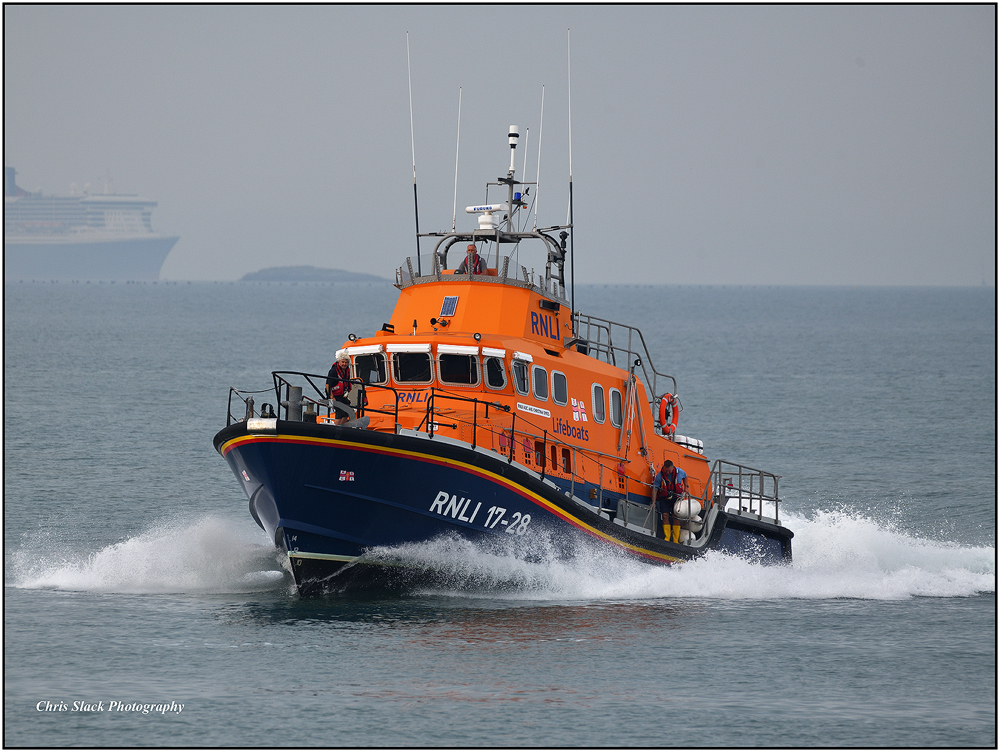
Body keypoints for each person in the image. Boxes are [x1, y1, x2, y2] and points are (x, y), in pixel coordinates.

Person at [652, 460, 688, 543]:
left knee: (676, 516)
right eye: (666, 470)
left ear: (672, 467)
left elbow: (685, 476)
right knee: (665, 516)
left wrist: (686, 487)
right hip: (665, 499)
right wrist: (653, 502)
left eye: (669, 470)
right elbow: (655, 489)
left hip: (677, 498)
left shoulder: (680, 472)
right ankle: (667, 538)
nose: (668, 472)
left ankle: (675, 540)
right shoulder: (659, 476)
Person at [325, 353, 352, 425]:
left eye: (346, 362)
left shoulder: (347, 371)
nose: (344, 364)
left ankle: (343, 428)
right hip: (334, 395)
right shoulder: (333, 371)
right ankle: (336, 428)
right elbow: (327, 385)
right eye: (343, 362)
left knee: (347, 411)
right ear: (339, 362)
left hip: (342, 395)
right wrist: (332, 397)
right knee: (339, 412)